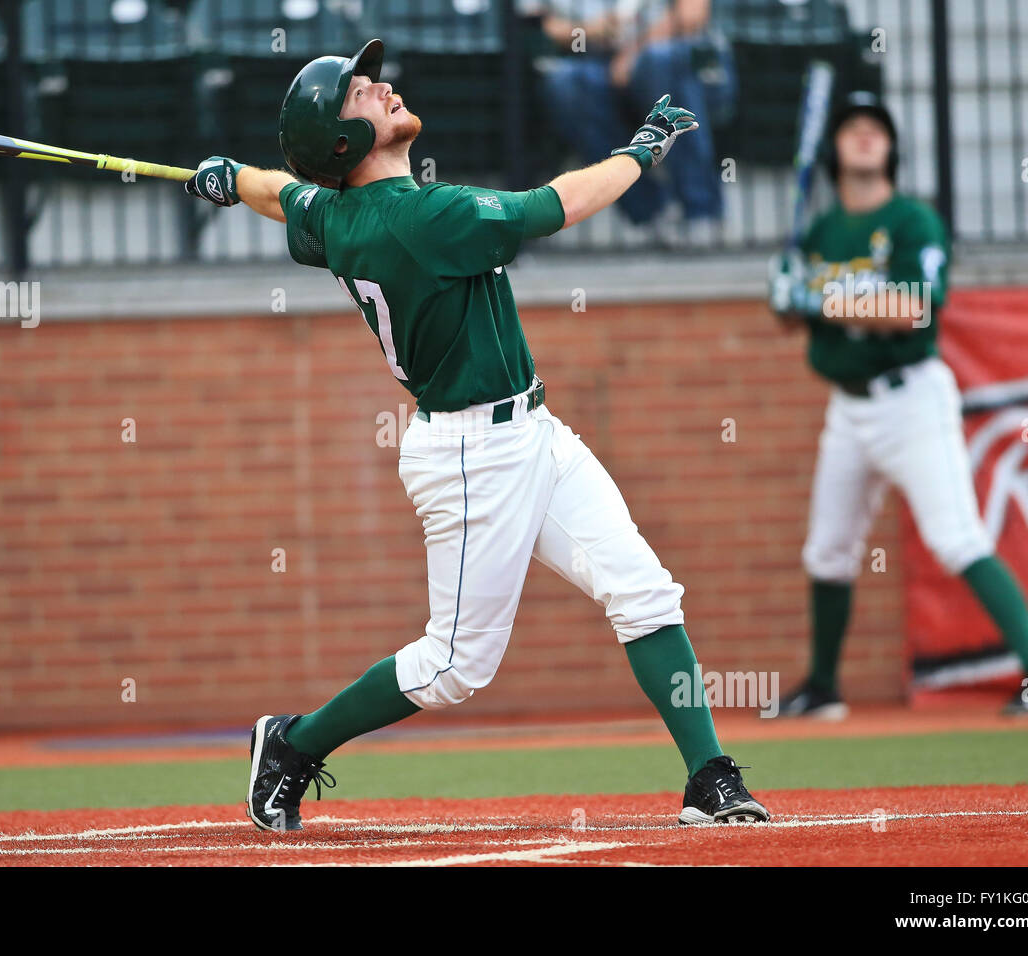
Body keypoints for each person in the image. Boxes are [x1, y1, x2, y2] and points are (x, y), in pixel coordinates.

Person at [185, 39, 770, 831]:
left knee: (642, 591)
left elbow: (280, 190)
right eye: (361, 93)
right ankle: (293, 743)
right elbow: (553, 205)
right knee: (456, 666)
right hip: (470, 453)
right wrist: (642, 149)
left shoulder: (334, 215)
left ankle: (710, 776)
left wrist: (229, 180)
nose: (382, 88)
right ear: (347, 144)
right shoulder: (423, 217)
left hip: (533, 430)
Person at [768, 92, 1028, 720]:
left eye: (875, 128)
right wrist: (782, 296)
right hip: (847, 408)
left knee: (957, 537)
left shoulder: (912, 221)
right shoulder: (822, 233)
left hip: (911, 399)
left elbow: (914, 307)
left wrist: (813, 297)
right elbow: (793, 323)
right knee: (827, 550)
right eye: (851, 127)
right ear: (833, 150)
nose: (864, 136)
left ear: (891, 148)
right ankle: (825, 686)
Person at [527, 0, 734, 233]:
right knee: (565, 84)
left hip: (691, 61)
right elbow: (541, 25)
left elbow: (691, 16)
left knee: (659, 60)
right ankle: (651, 210)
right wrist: (594, 29)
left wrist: (633, 53)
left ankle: (700, 209)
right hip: (604, 62)